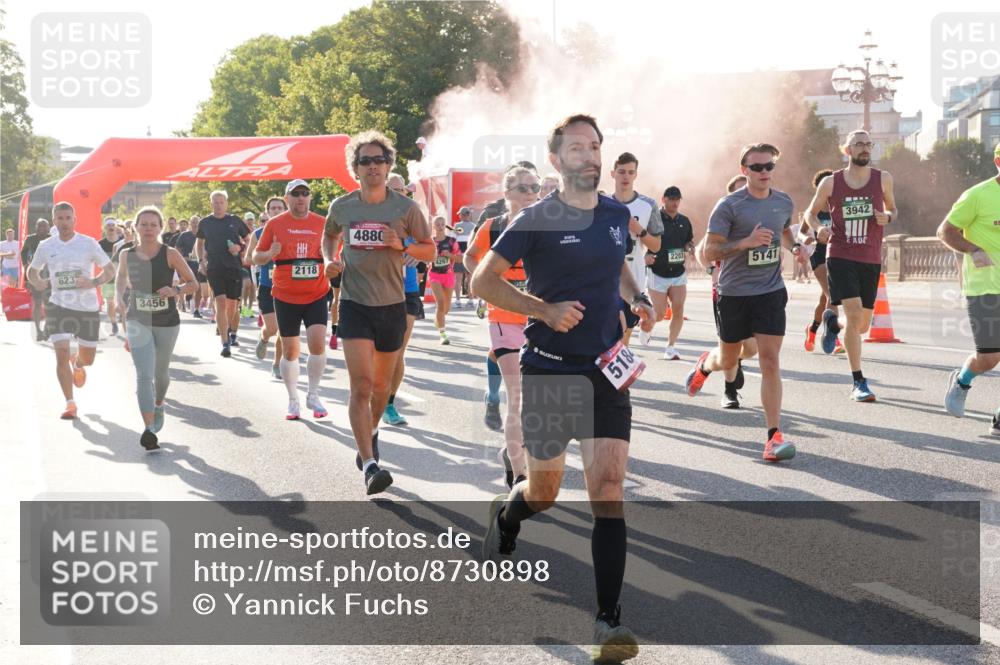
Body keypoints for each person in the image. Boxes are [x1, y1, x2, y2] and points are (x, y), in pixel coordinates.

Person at [472, 114, 654, 663]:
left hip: (605, 371)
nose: (589, 155)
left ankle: (607, 622)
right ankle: (507, 517)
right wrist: (542, 310)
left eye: (594, 146)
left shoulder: (617, 214)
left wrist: (638, 298)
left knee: (608, 488)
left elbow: (617, 265)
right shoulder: (536, 218)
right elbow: (481, 280)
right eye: (576, 147)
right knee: (544, 493)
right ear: (556, 160)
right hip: (550, 370)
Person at [324, 130, 434, 495]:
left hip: (392, 305)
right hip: (355, 304)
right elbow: (330, 236)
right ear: (354, 168)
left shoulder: (405, 208)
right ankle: (370, 465)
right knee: (361, 386)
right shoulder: (342, 206)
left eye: (379, 160)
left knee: (382, 388)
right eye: (365, 161)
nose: (373, 166)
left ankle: (370, 434)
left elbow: (430, 251)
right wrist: (329, 260)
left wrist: (400, 243)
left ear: (389, 166)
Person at [686, 143, 798, 461]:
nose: (764, 172)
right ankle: (707, 364)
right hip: (733, 294)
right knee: (729, 359)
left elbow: (785, 232)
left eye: (769, 166)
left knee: (770, 362)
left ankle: (773, 437)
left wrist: (797, 246)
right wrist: (746, 243)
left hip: (770, 291)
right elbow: (709, 253)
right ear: (744, 170)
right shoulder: (729, 206)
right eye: (757, 167)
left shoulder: (783, 201)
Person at [804, 129, 897, 402]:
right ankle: (859, 381)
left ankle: (833, 323)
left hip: (870, 257)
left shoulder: (883, 179)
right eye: (858, 144)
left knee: (862, 326)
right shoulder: (831, 183)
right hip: (840, 254)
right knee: (855, 314)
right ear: (847, 150)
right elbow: (810, 212)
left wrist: (887, 217)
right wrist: (819, 227)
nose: (864, 148)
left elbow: (893, 208)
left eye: (868, 144)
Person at [464, 165, 540, 487]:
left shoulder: (545, 227)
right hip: (503, 317)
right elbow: (470, 257)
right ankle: (520, 476)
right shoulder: (493, 227)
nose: (530, 194)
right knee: (518, 395)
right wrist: (482, 283)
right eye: (523, 188)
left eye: (535, 188)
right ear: (508, 194)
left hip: (539, 318)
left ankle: (512, 453)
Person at [115, 206, 198, 450]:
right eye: (144, 224)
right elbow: (120, 277)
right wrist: (118, 295)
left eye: (153, 224)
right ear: (136, 227)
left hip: (166, 321)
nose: (148, 228)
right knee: (144, 375)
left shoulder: (170, 253)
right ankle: (149, 429)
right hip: (137, 319)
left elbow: (193, 283)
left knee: (160, 375)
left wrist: (176, 290)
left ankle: (159, 402)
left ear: (160, 228)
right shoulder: (126, 254)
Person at [27, 202, 115, 420]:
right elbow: (32, 270)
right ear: (54, 221)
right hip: (58, 305)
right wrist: (37, 281)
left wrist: (93, 281)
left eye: (68, 218)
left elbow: (110, 270)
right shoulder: (46, 245)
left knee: (89, 358)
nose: (64, 222)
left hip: (87, 307)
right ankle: (70, 403)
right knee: (60, 355)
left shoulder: (88, 243)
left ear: (74, 220)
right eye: (60, 218)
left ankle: (78, 364)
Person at [254, 180, 331, 420]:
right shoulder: (275, 224)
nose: (301, 198)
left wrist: (332, 264)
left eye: (305, 194)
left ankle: (313, 394)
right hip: (285, 295)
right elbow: (256, 257)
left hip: (316, 293)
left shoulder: (322, 223)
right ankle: (293, 400)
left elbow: (334, 252)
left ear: (309, 198)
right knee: (290, 351)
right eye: (296, 194)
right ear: (287, 198)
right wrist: (270, 254)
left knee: (318, 344)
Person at [939, 142, 1000, 436]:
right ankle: (962, 380)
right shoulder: (977, 195)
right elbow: (945, 231)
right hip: (984, 286)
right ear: (998, 162)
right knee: (989, 358)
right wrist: (972, 248)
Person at [694, 175, 759, 409]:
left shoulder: (759, 218)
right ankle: (729, 392)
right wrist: (712, 269)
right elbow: (702, 250)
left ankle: (715, 362)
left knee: (750, 348)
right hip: (727, 291)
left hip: (756, 291)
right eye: (739, 191)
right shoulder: (724, 218)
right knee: (731, 346)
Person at [608, 152, 663, 348]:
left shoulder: (648, 205)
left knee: (625, 336)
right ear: (613, 173)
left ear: (636, 175)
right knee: (607, 331)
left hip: (634, 276)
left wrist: (637, 229)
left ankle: (617, 376)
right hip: (606, 276)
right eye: (621, 172)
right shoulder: (602, 203)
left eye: (630, 172)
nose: (625, 176)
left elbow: (656, 245)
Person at [195, 190, 250, 357]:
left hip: (233, 267)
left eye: (221, 202)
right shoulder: (205, 222)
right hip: (214, 267)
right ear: (211, 203)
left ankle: (230, 329)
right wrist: (200, 262)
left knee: (232, 306)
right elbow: (199, 244)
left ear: (226, 204)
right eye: (215, 202)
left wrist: (239, 248)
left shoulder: (234, 220)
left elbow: (249, 239)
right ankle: (225, 343)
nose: (218, 205)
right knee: (220, 302)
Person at [641, 186, 692, 359]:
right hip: (657, 272)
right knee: (660, 314)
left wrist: (690, 247)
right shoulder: (654, 219)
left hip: (678, 272)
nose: (675, 202)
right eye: (671, 199)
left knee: (678, 309)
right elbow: (641, 240)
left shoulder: (684, 221)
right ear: (663, 200)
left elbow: (687, 241)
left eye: (678, 199)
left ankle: (670, 347)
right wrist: (644, 257)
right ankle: (647, 326)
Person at [800, 169, 845, 354]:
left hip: (838, 254)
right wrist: (807, 239)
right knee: (832, 294)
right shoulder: (814, 209)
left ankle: (811, 330)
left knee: (825, 298)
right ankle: (833, 337)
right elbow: (801, 233)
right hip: (819, 255)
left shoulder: (840, 206)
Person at [245, 196, 287, 380]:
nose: (276, 211)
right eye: (273, 208)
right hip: (266, 286)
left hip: (288, 287)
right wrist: (268, 255)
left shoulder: (292, 231)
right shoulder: (258, 234)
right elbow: (248, 259)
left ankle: (277, 364)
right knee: (272, 328)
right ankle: (264, 338)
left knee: (284, 330)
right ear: (267, 212)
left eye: (280, 208)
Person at [427, 216, 460, 345]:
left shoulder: (451, 241)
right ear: (434, 226)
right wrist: (430, 257)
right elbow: (424, 256)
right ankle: (443, 334)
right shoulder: (430, 242)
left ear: (445, 226)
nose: (440, 227)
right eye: (437, 224)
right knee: (440, 303)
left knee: (446, 309)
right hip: (435, 275)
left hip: (448, 275)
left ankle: (438, 319)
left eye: (442, 224)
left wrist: (450, 255)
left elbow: (461, 259)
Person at [21, 218, 51, 341]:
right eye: (40, 226)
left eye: (44, 226)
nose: (42, 228)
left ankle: (47, 329)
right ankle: (38, 330)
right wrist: (26, 266)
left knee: (49, 304)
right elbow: (23, 253)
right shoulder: (30, 239)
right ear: (36, 227)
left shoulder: (52, 238)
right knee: (37, 303)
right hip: (35, 275)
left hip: (50, 275)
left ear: (48, 227)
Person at [98, 220, 121, 334]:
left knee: (125, 302)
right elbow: (97, 260)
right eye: (108, 226)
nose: (111, 227)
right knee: (110, 302)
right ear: (104, 228)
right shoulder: (100, 244)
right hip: (108, 277)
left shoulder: (122, 242)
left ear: (116, 227)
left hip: (123, 277)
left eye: (113, 225)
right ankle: (114, 323)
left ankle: (126, 321)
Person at [452, 206, 477, 307]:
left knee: (458, 278)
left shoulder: (457, 226)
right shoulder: (474, 226)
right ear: (469, 215)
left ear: (462, 215)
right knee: (470, 278)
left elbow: (453, 241)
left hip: (458, 256)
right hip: (470, 256)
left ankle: (458, 300)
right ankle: (471, 299)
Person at [241, 211, 257, 319]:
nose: (250, 222)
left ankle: (249, 309)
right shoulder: (241, 232)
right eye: (248, 220)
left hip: (254, 263)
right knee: (246, 284)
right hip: (242, 263)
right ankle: (244, 306)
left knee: (252, 288)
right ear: (244, 221)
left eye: (251, 219)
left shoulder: (256, 232)